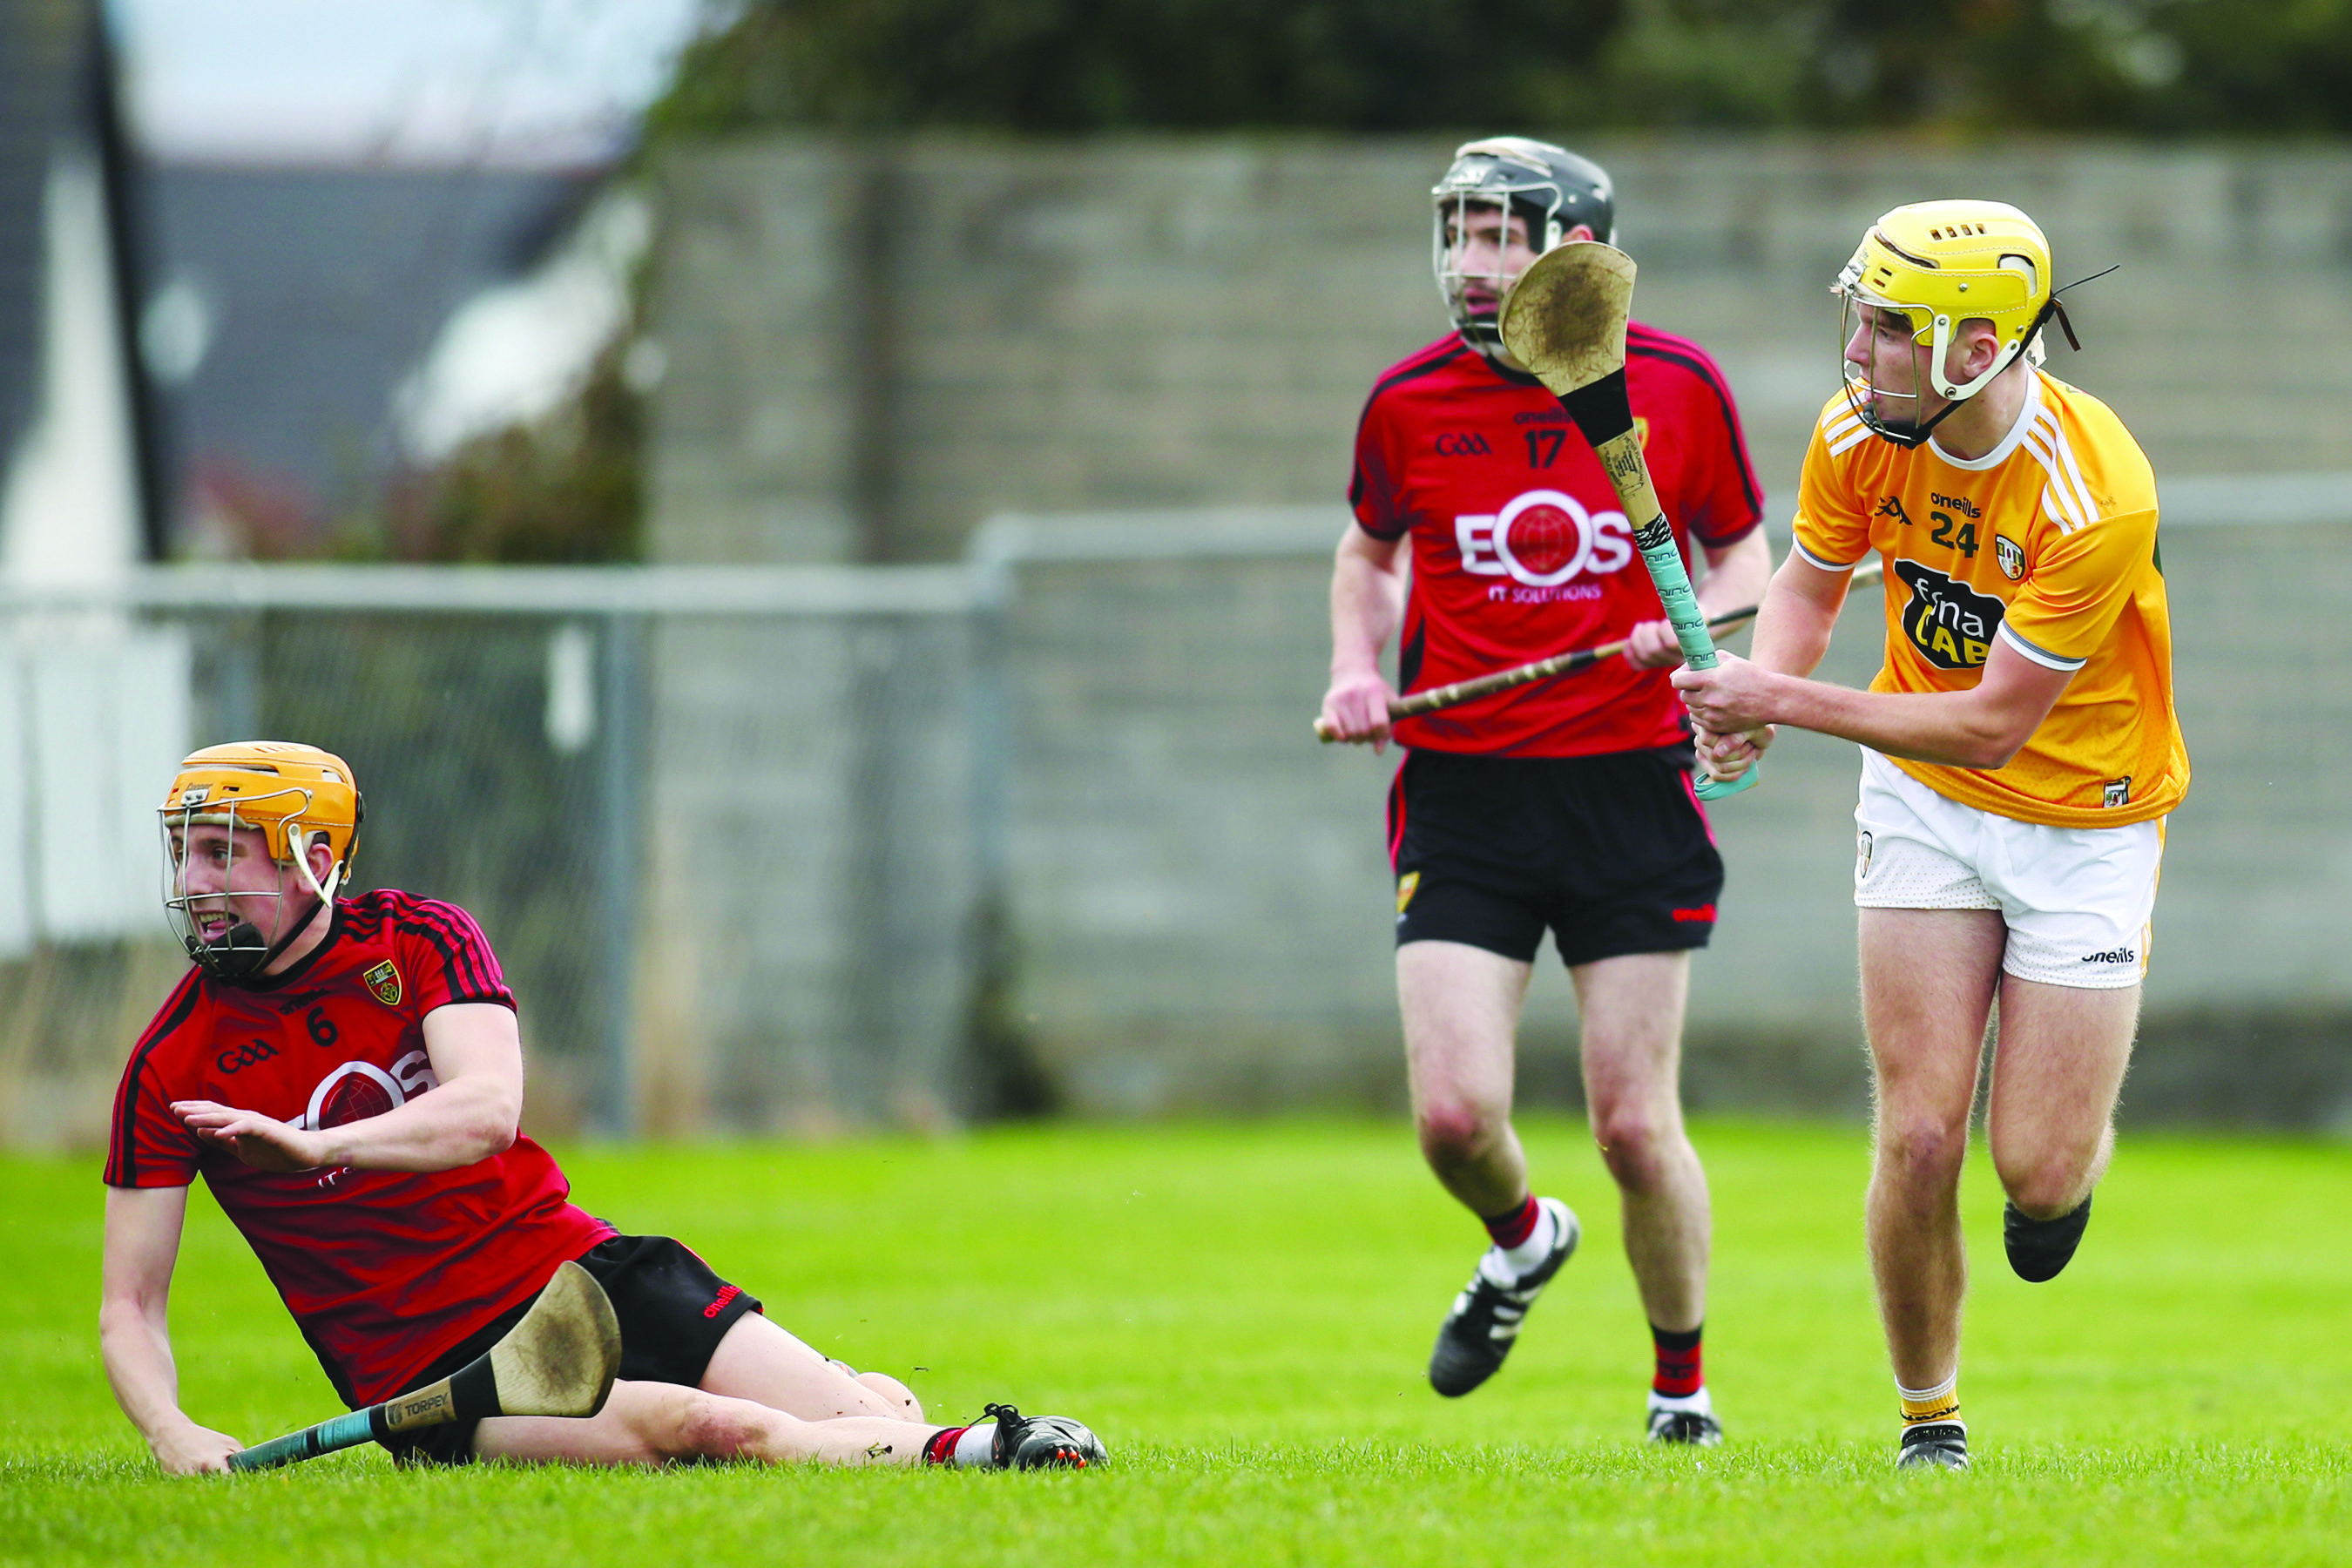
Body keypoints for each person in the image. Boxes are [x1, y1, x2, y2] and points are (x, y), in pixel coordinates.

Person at [102, 740, 1105, 1475]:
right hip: (437, 1373)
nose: (194, 885)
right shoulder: (172, 1061)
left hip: (583, 1270)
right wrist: (173, 1431)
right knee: (724, 1433)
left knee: (846, 1412)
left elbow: (487, 1110)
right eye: (186, 853)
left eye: (224, 853)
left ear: (312, 858)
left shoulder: (421, 941)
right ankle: (992, 1450)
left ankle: (895, 1424)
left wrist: (315, 1146)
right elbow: (129, 1307)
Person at [1672, 200, 2188, 1470]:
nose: (1862, 348)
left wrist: (1775, 696)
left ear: (1977, 348)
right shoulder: (1858, 430)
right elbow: (1805, 582)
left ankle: (2063, 1177)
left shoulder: (2093, 491)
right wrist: (1760, 712)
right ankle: (1929, 1420)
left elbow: (1998, 725)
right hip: (1923, 798)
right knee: (1915, 1133)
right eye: (1865, 314)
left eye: (1895, 327)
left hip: (2084, 818)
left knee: (2036, 1172)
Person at [1317, 138, 1770, 1444]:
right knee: (1456, 1118)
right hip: (1464, 792)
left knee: (1635, 1125)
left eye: (1499, 237)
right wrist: (1356, 665)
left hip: (1631, 785)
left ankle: (1679, 1394)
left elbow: (1748, 555)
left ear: (1570, 246)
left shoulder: (1676, 386)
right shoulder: (1405, 400)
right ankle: (1523, 1239)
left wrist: (1698, 633)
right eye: (1457, 233)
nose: (1470, 265)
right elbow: (1368, 550)